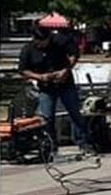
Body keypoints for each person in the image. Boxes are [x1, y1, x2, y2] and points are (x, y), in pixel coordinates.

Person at [18, 26, 89, 154]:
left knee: (75, 113)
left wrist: (66, 70)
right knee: (47, 117)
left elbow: (74, 54)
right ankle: (51, 145)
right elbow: (23, 70)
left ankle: (84, 142)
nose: (43, 43)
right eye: (40, 41)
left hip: (65, 84)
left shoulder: (60, 41)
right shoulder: (28, 49)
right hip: (46, 87)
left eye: (46, 40)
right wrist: (40, 77)